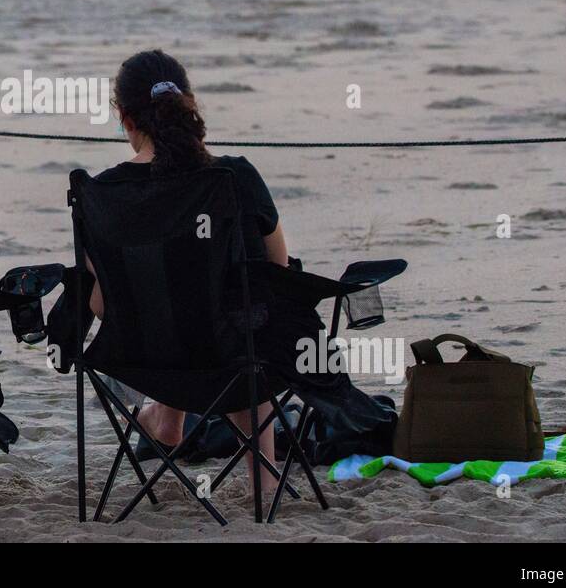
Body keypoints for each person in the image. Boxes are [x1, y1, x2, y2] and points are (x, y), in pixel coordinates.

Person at [86, 49, 391, 495]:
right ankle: (262, 476)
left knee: (185, 306)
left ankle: (166, 417)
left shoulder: (101, 194)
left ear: (124, 117)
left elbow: (100, 305)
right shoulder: (235, 176)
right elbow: (278, 270)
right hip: (235, 358)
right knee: (249, 309)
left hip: (143, 362)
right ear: (188, 105)